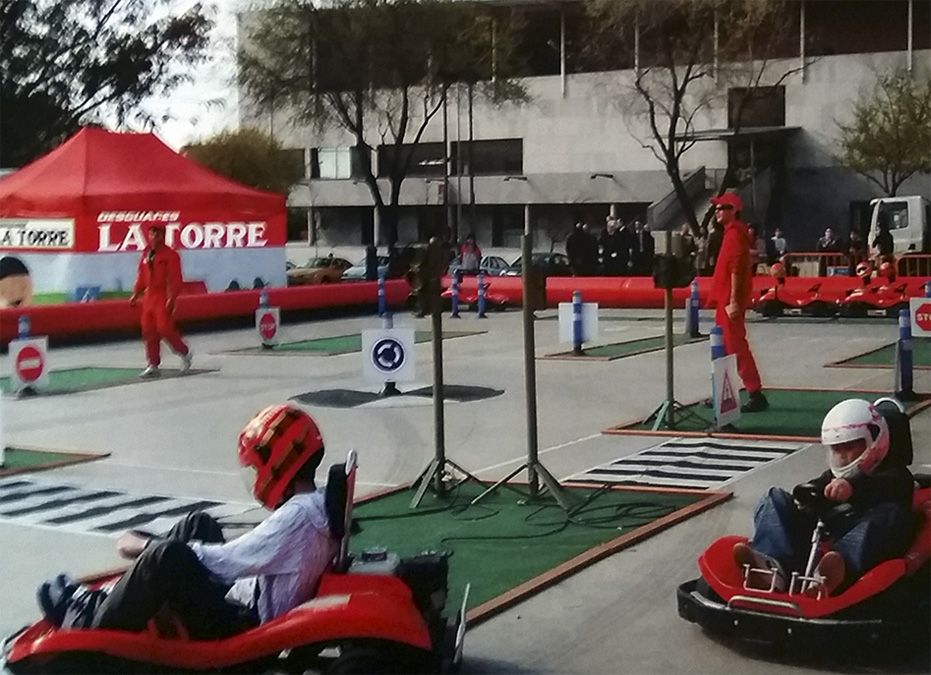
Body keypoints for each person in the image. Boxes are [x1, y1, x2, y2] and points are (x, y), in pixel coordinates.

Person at [37, 405, 337, 639]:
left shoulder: (297, 516)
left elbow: (227, 561)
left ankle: (95, 628)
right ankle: (117, 596)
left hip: (240, 624)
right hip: (244, 599)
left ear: (278, 466)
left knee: (166, 557)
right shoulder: (319, 502)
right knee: (199, 524)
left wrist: (146, 546)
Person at [733, 399, 914, 597]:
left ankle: (833, 573)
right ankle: (773, 567)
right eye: (838, 449)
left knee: (890, 513)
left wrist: (852, 485)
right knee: (774, 497)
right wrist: (807, 497)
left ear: (875, 440)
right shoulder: (832, 477)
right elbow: (813, 491)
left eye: (850, 446)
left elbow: (888, 486)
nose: (843, 456)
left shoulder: (896, 475)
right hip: (827, 534)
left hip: (865, 542)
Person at [708, 193, 768, 413]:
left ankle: (754, 392)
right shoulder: (731, 234)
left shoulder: (734, 235)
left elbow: (735, 270)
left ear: (733, 209)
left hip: (728, 302)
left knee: (736, 346)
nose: (717, 212)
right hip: (725, 300)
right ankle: (723, 391)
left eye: (721, 208)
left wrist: (733, 302)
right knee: (722, 347)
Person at [130, 224, 192, 378]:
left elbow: (175, 278)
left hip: (162, 296)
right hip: (149, 297)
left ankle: (184, 352)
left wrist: (172, 298)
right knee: (148, 331)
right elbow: (141, 276)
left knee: (165, 328)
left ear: (163, 236)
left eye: (156, 235)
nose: (153, 238)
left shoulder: (171, 255)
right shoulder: (146, 254)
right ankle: (153, 364)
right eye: (151, 235)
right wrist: (136, 293)